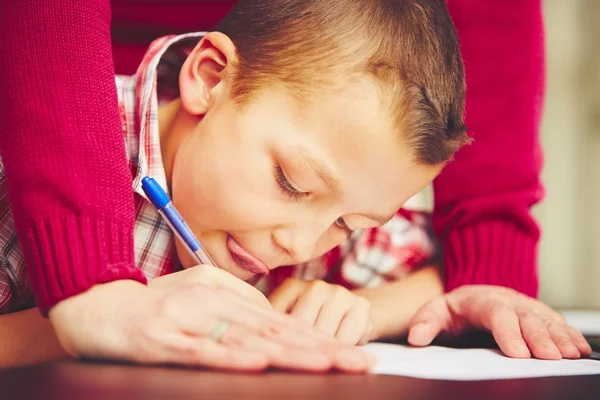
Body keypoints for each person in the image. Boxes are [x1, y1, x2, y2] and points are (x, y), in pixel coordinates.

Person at [0, 0, 590, 369]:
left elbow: (439, 276)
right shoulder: (22, 173)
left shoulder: (334, 188)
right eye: (290, 182)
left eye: (346, 226)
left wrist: (362, 308)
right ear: (209, 78)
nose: (301, 246)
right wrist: (73, 329)